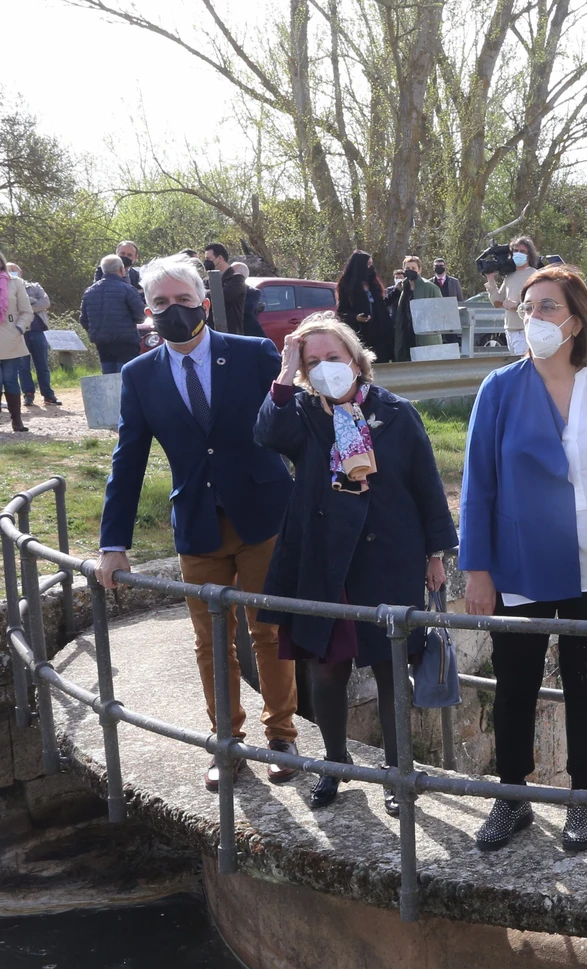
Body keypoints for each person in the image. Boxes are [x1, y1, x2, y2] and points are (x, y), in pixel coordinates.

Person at [459, 263, 587, 853]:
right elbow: (478, 486)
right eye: (527, 307)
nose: (532, 318)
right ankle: (512, 797)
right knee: (515, 684)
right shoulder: (499, 388)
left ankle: (582, 799)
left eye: (545, 306)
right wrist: (477, 569)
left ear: (576, 317)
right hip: (523, 562)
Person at [96, 255, 301, 791]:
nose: (173, 310)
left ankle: (282, 735)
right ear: (147, 311)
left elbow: (293, 426)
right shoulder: (140, 375)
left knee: (270, 630)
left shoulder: (254, 354)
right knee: (211, 640)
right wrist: (113, 543)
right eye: (161, 303)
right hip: (197, 523)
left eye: (183, 300)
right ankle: (226, 744)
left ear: (204, 303)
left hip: (263, 515)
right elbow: (129, 458)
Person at [254, 313, 455, 811]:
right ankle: (334, 765)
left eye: (334, 357)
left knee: (390, 669)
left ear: (356, 359)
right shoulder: (300, 411)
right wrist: (284, 373)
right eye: (313, 361)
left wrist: (436, 554)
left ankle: (397, 773)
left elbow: (426, 486)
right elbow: (267, 434)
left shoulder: (396, 411)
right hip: (324, 559)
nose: (326, 368)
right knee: (326, 669)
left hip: (388, 554)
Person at [81, 255, 148, 374]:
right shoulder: (127, 289)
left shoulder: (89, 292)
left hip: (102, 343)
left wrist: (98, 331)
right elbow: (141, 316)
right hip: (126, 342)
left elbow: (84, 320)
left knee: (108, 378)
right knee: (127, 377)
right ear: (121, 269)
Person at [6, 263, 58, 407]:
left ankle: (48, 395)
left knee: (42, 365)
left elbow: (45, 302)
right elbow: (13, 308)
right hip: (20, 333)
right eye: (8, 270)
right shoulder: (6, 289)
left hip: (37, 332)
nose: (11, 272)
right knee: (23, 367)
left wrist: (25, 307)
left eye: (13, 270)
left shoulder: (35, 286)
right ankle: (28, 395)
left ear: (20, 272)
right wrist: (30, 303)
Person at [483, 236, 538, 356]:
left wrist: (517, 305)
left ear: (529, 255)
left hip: (524, 331)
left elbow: (538, 304)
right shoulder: (510, 276)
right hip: (509, 330)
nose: (518, 254)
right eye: (516, 251)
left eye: (523, 251)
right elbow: (497, 302)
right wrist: (490, 279)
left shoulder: (534, 275)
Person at [336, 251, 394, 362]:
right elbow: (342, 311)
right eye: (368, 264)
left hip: (381, 332)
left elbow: (382, 304)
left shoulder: (373, 283)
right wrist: (355, 317)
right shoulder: (346, 284)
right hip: (362, 334)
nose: (370, 267)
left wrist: (396, 291)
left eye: (371, 264)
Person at [389, 255, 444, 362]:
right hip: (405, 338)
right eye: (407, 268)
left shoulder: (430, 288)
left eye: (413, 268)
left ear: (419, 270)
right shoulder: (402, 288)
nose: (410, 271)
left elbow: (440, 314)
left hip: (425, 340)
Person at [0, 258, 33, 431]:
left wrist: (19, 329)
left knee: (10, 380)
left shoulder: (15, 283)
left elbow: (27, 311)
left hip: (11, 338)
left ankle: (17, 421)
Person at [227, 261, 266, 338]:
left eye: (231, 272)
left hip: (247, 333)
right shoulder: (225, 290)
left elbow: (248, 308)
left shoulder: (253, 292)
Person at [432, 258, 463, 348]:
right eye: (436, 266)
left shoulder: (454, 282)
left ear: (445, 267)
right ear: (433, 268)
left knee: (452, 343)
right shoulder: (430, 282)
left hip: (450, 318)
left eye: (441, 266)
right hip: (435, 318)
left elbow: (460, 300)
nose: (439, 267)